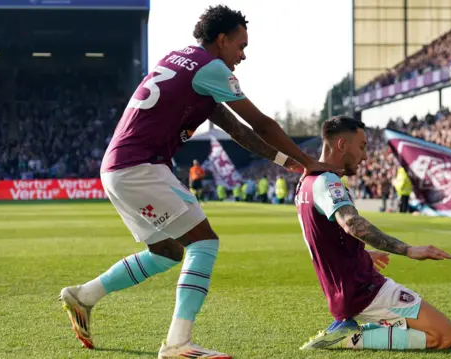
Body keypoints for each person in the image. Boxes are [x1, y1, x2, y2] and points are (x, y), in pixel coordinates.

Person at [58, 5, 338, 359]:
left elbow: (237, 130)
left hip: (118, 168)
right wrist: (309, 161)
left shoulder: (180, 60)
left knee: (168, 252)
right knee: (203, 243)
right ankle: (177, 344)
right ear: (221, 41)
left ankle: (84, 296)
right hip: (141, 168)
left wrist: (286, 162)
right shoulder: (213, 68)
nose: (244, 55)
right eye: (240, 45)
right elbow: (261, 124)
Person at [294, 116, 451, 352]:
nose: (365, 156)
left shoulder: (305, 184)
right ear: (341, 145)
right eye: (361, 147)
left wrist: (360, 252)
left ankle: (345, 328)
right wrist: (409, 250)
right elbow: (351, 223)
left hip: (348, 288)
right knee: (444, 335)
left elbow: (323, 238)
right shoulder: (326, 181)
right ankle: (348, 338)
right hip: (363, 290)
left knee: (435, 330)